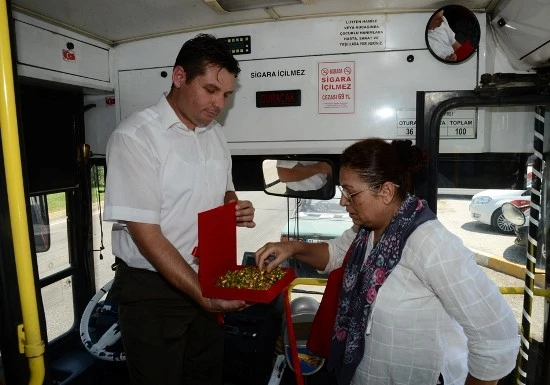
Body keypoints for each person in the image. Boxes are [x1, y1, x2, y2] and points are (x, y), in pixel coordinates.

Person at [256, 138, 519, 385]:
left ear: (385, 191)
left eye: (350, 193)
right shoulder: (368, 231)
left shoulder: (429, 243)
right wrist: (292, 247)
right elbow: (336, 254)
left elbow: (496, 336)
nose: (343, 201)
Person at [103, 33, 255, 385]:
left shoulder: (215, 134)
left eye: (227, 95)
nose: (219, 104)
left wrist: (233, 206)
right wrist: (203, 295)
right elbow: (146, 235)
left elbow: (225, 191)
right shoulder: (135, 137)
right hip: (154, 291)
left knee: (206, 375)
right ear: (179, 76)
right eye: (211, 90)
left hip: (206, 274)